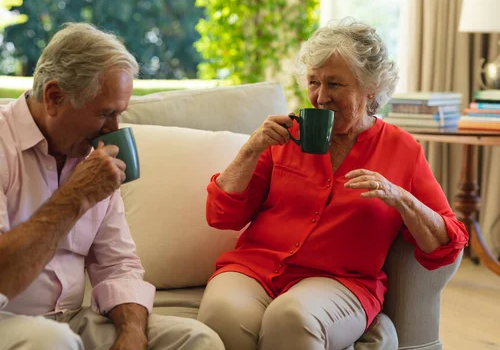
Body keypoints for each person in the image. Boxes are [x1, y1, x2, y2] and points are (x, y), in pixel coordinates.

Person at [0, 23, 224, 350]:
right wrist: (76, 196)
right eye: (105, 113)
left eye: (119, 114)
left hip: (66, 324)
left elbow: (118, 266)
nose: (113, 130)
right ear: (54, 97)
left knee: (195, 340)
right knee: (53, 342)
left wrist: (132, 334)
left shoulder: (87, 154)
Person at [197, 20, 468, 350]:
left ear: (371, 88)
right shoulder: (286, 136)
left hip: (341, 281)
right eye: (314, 82)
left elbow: (446, 245)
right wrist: (251, 149)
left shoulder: (402, 150)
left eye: (335, 85)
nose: (320, 97)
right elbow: (222, 215)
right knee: (221, 315)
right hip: (254, 269)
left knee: (291, 317)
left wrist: (399, 197)